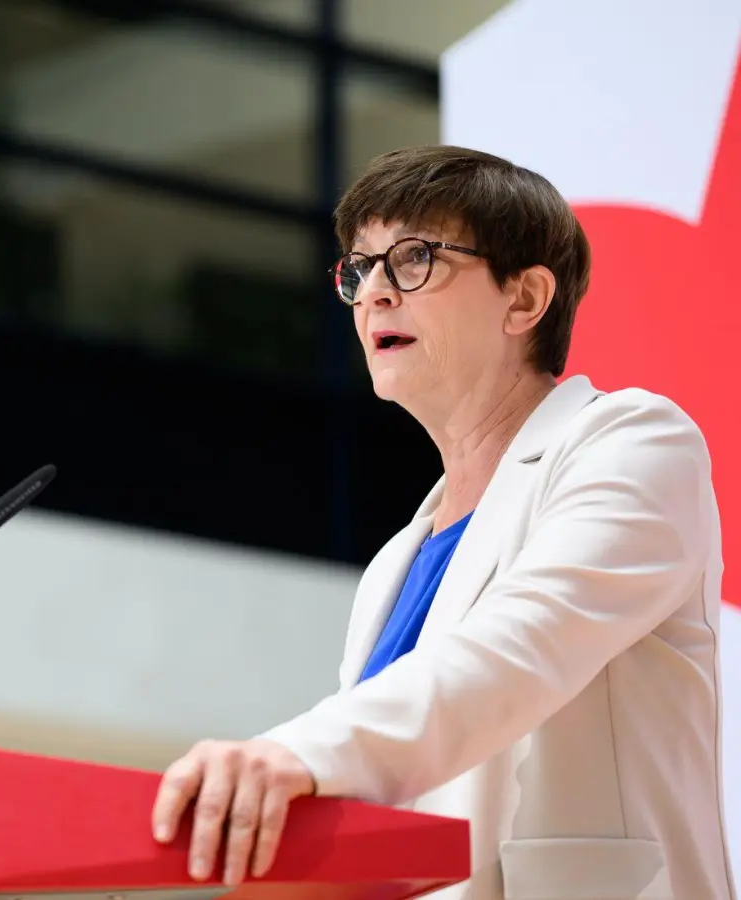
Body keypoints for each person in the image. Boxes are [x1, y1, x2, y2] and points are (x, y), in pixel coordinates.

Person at [150, 145, 732, 899]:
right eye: (359, 270)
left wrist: (292, 754)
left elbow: (518, 648)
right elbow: (388, 799)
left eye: (415, 258)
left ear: (524, 300)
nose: (375, 295)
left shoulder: (634, 441)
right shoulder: (394, 561)